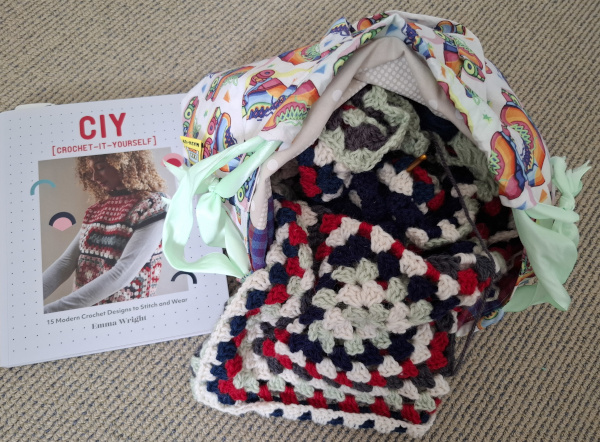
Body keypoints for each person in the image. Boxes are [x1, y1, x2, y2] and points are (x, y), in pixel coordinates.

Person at [43, 151, 168, 313]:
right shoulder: (96, 209)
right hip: (84, 312)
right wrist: (27, 300)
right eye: (90, 171)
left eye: (100, 168)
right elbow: (65, 263)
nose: (94, 177)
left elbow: (122, 273)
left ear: (122, 163)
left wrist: (49, 312)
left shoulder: (154, 205)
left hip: (126, 316)